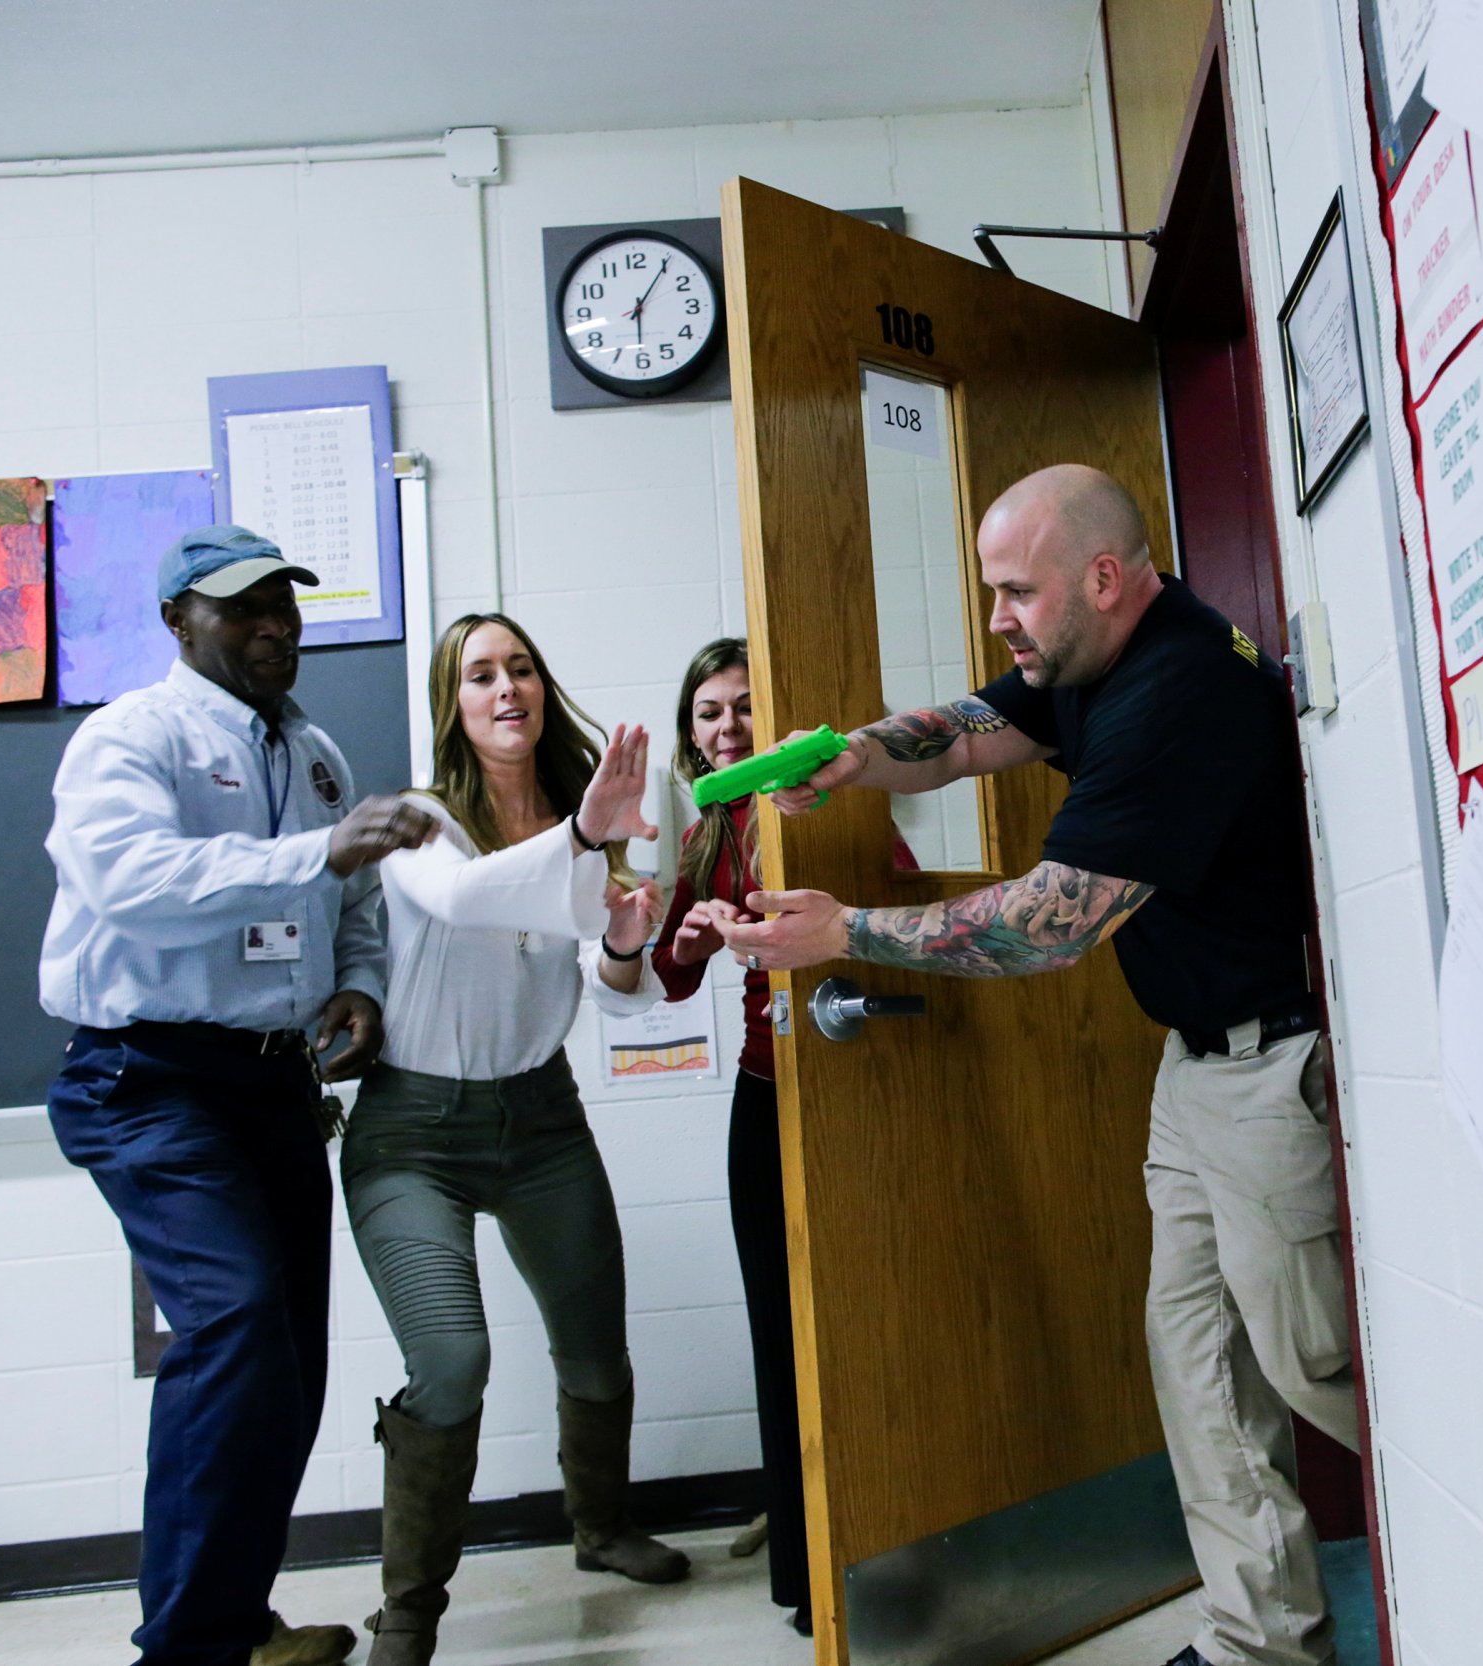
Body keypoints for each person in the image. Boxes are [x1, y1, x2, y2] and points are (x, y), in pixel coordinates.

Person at [719, 465, 1359, 1666]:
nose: (1000, 616)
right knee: (1203, 1371)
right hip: (1195, 1071)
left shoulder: (1180, 690)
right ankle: (1259, 1645)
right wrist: (851, 755)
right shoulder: (1092, 655)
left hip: (1273, 1073)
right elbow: (962, 739)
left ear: (1102, 578)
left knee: (1316, 1367)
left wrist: (844, 932)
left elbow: (1048, 922)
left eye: (1016, 591)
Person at [41, 525, 435, 1666]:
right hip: (147, 1078)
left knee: (287, 1363)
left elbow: (354, 906)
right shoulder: (131, 738)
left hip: (272, 1082)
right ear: (179, 622)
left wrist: (357, 985)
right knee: (235, 1328)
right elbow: (128, 880)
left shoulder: (314, 755)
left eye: (286, 606)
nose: (274, 627)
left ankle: (231, 1620)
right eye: (242, 609)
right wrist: (313, 857)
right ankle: (190, 1651)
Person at [348, 613, 693, 1666]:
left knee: (596, 1344)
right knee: (451, 1359)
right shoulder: (418, 820)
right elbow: (463, 899)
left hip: (539, 1115)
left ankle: (600, 1528)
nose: (508, 688)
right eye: (481, 674)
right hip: (413, 1129)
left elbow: (615, 997)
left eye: (522, 668)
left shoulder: (582, 819)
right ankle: (409, 1612)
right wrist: (584, 843)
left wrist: (625, 942)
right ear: (453, 703)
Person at [645, 638, 814, 1634]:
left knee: (839, 1322)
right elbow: (666, 976)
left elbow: (891, 899)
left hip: (840, 1088)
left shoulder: (812, 802)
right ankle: (800, 1568)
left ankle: (861, 1541)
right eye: (709, 715)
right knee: (775, 1333)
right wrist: (693, 940)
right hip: (761, 1095)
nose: (726, 729)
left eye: (744, 708)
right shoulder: (708, 827)